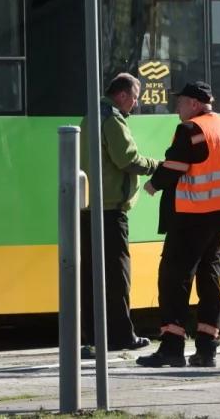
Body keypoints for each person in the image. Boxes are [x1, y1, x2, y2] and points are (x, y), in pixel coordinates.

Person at [136, 81, 220, 368]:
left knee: (174, 277)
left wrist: (153, 184)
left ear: (195, 104)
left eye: (181, 102)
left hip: (193, 212)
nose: (177, 107)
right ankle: (207, 348)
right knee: (210, 278)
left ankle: (172, 347)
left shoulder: (191, 130)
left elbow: (176, 165)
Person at [80, 73, 159, 355]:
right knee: (117, 277)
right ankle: (123, 335)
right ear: (123, 95)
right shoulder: (112, 118)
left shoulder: (90, 115)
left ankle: (92, 336)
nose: (135, 105)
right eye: (135, 98)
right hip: (110, 210)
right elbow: (127, 159)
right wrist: (156, 166)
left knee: (90, 277)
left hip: (89, 209)